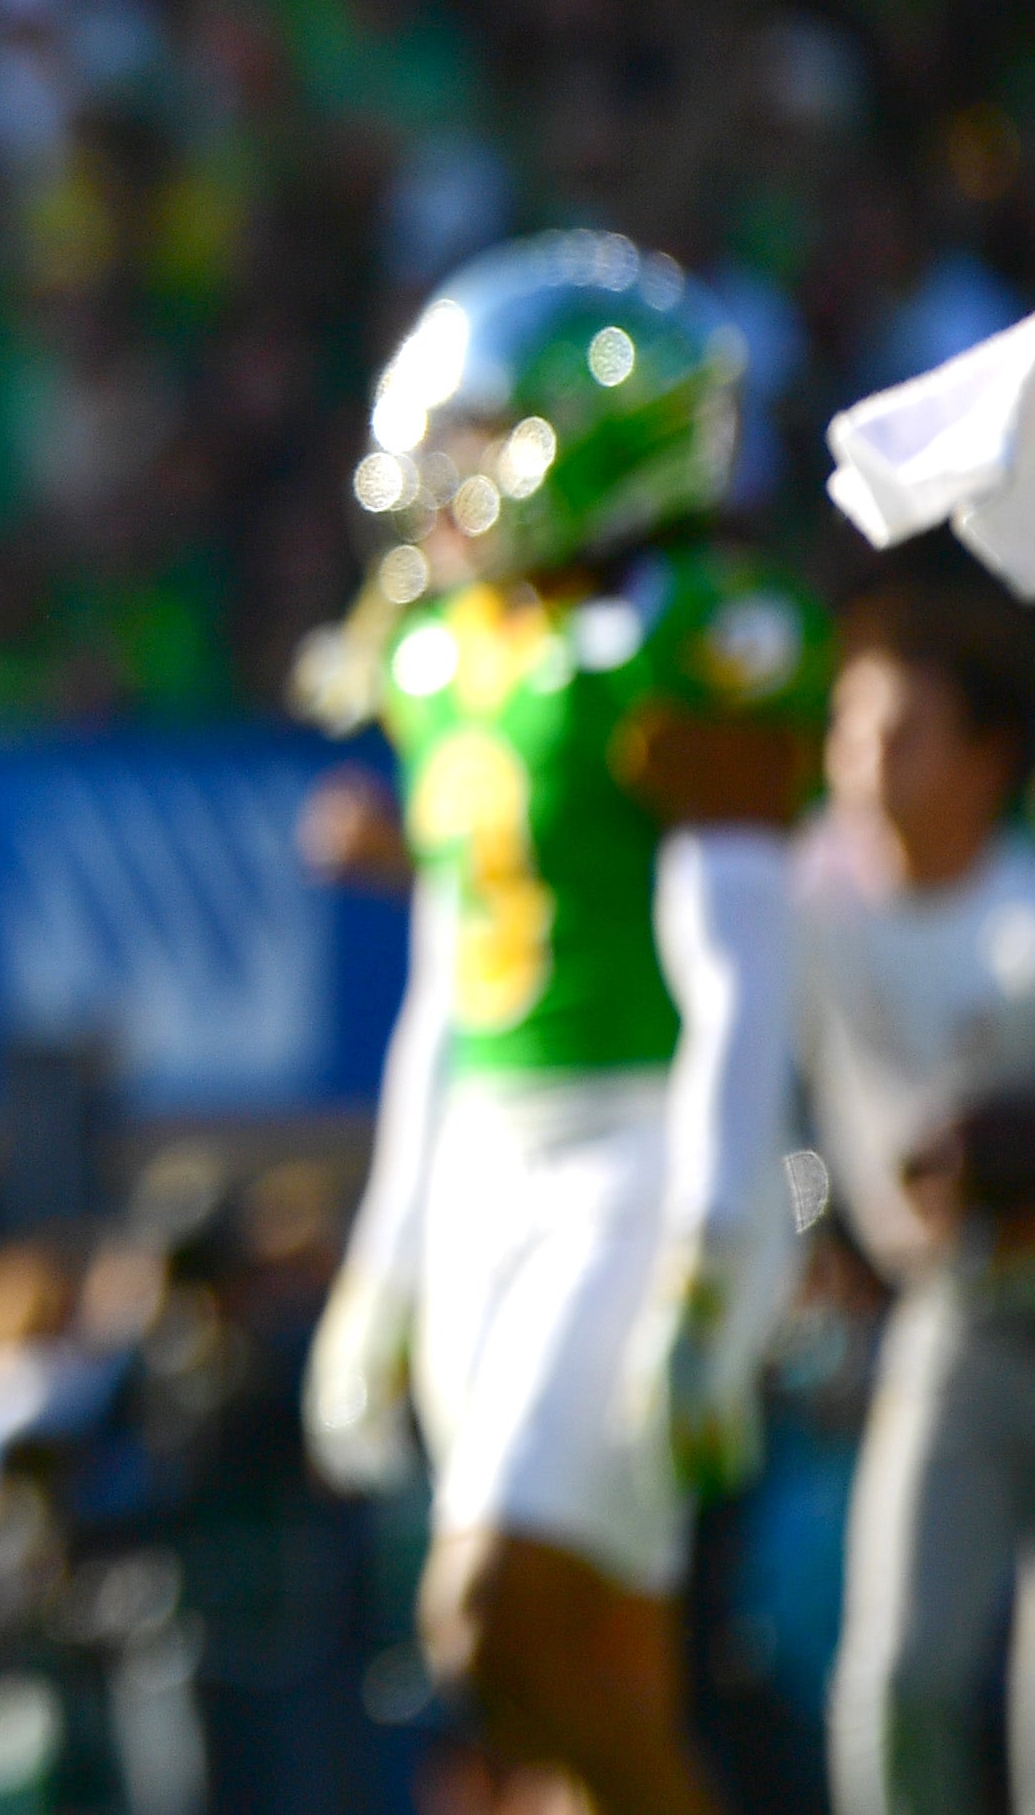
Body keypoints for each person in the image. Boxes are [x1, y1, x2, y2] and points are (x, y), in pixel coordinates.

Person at [296, 234, 822, 1815]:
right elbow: (446, 990)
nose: (440, 488)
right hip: (482, 1170)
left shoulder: (700, 631)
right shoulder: (448, 651)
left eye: (476, 445)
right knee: (585, 1665)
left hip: (636, 1148)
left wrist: (719, 1236)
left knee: (490, 1621)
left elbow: (739, 971)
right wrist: (383, 1259)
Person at [788, 570, 1035, 1815]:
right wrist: (824, 1222)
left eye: (902, 731)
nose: (863, 761)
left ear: (987, 757)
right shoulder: (813, 902)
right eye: (848, 728)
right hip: (955, 1320)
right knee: (899, 1675)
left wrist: (1019, 1185)